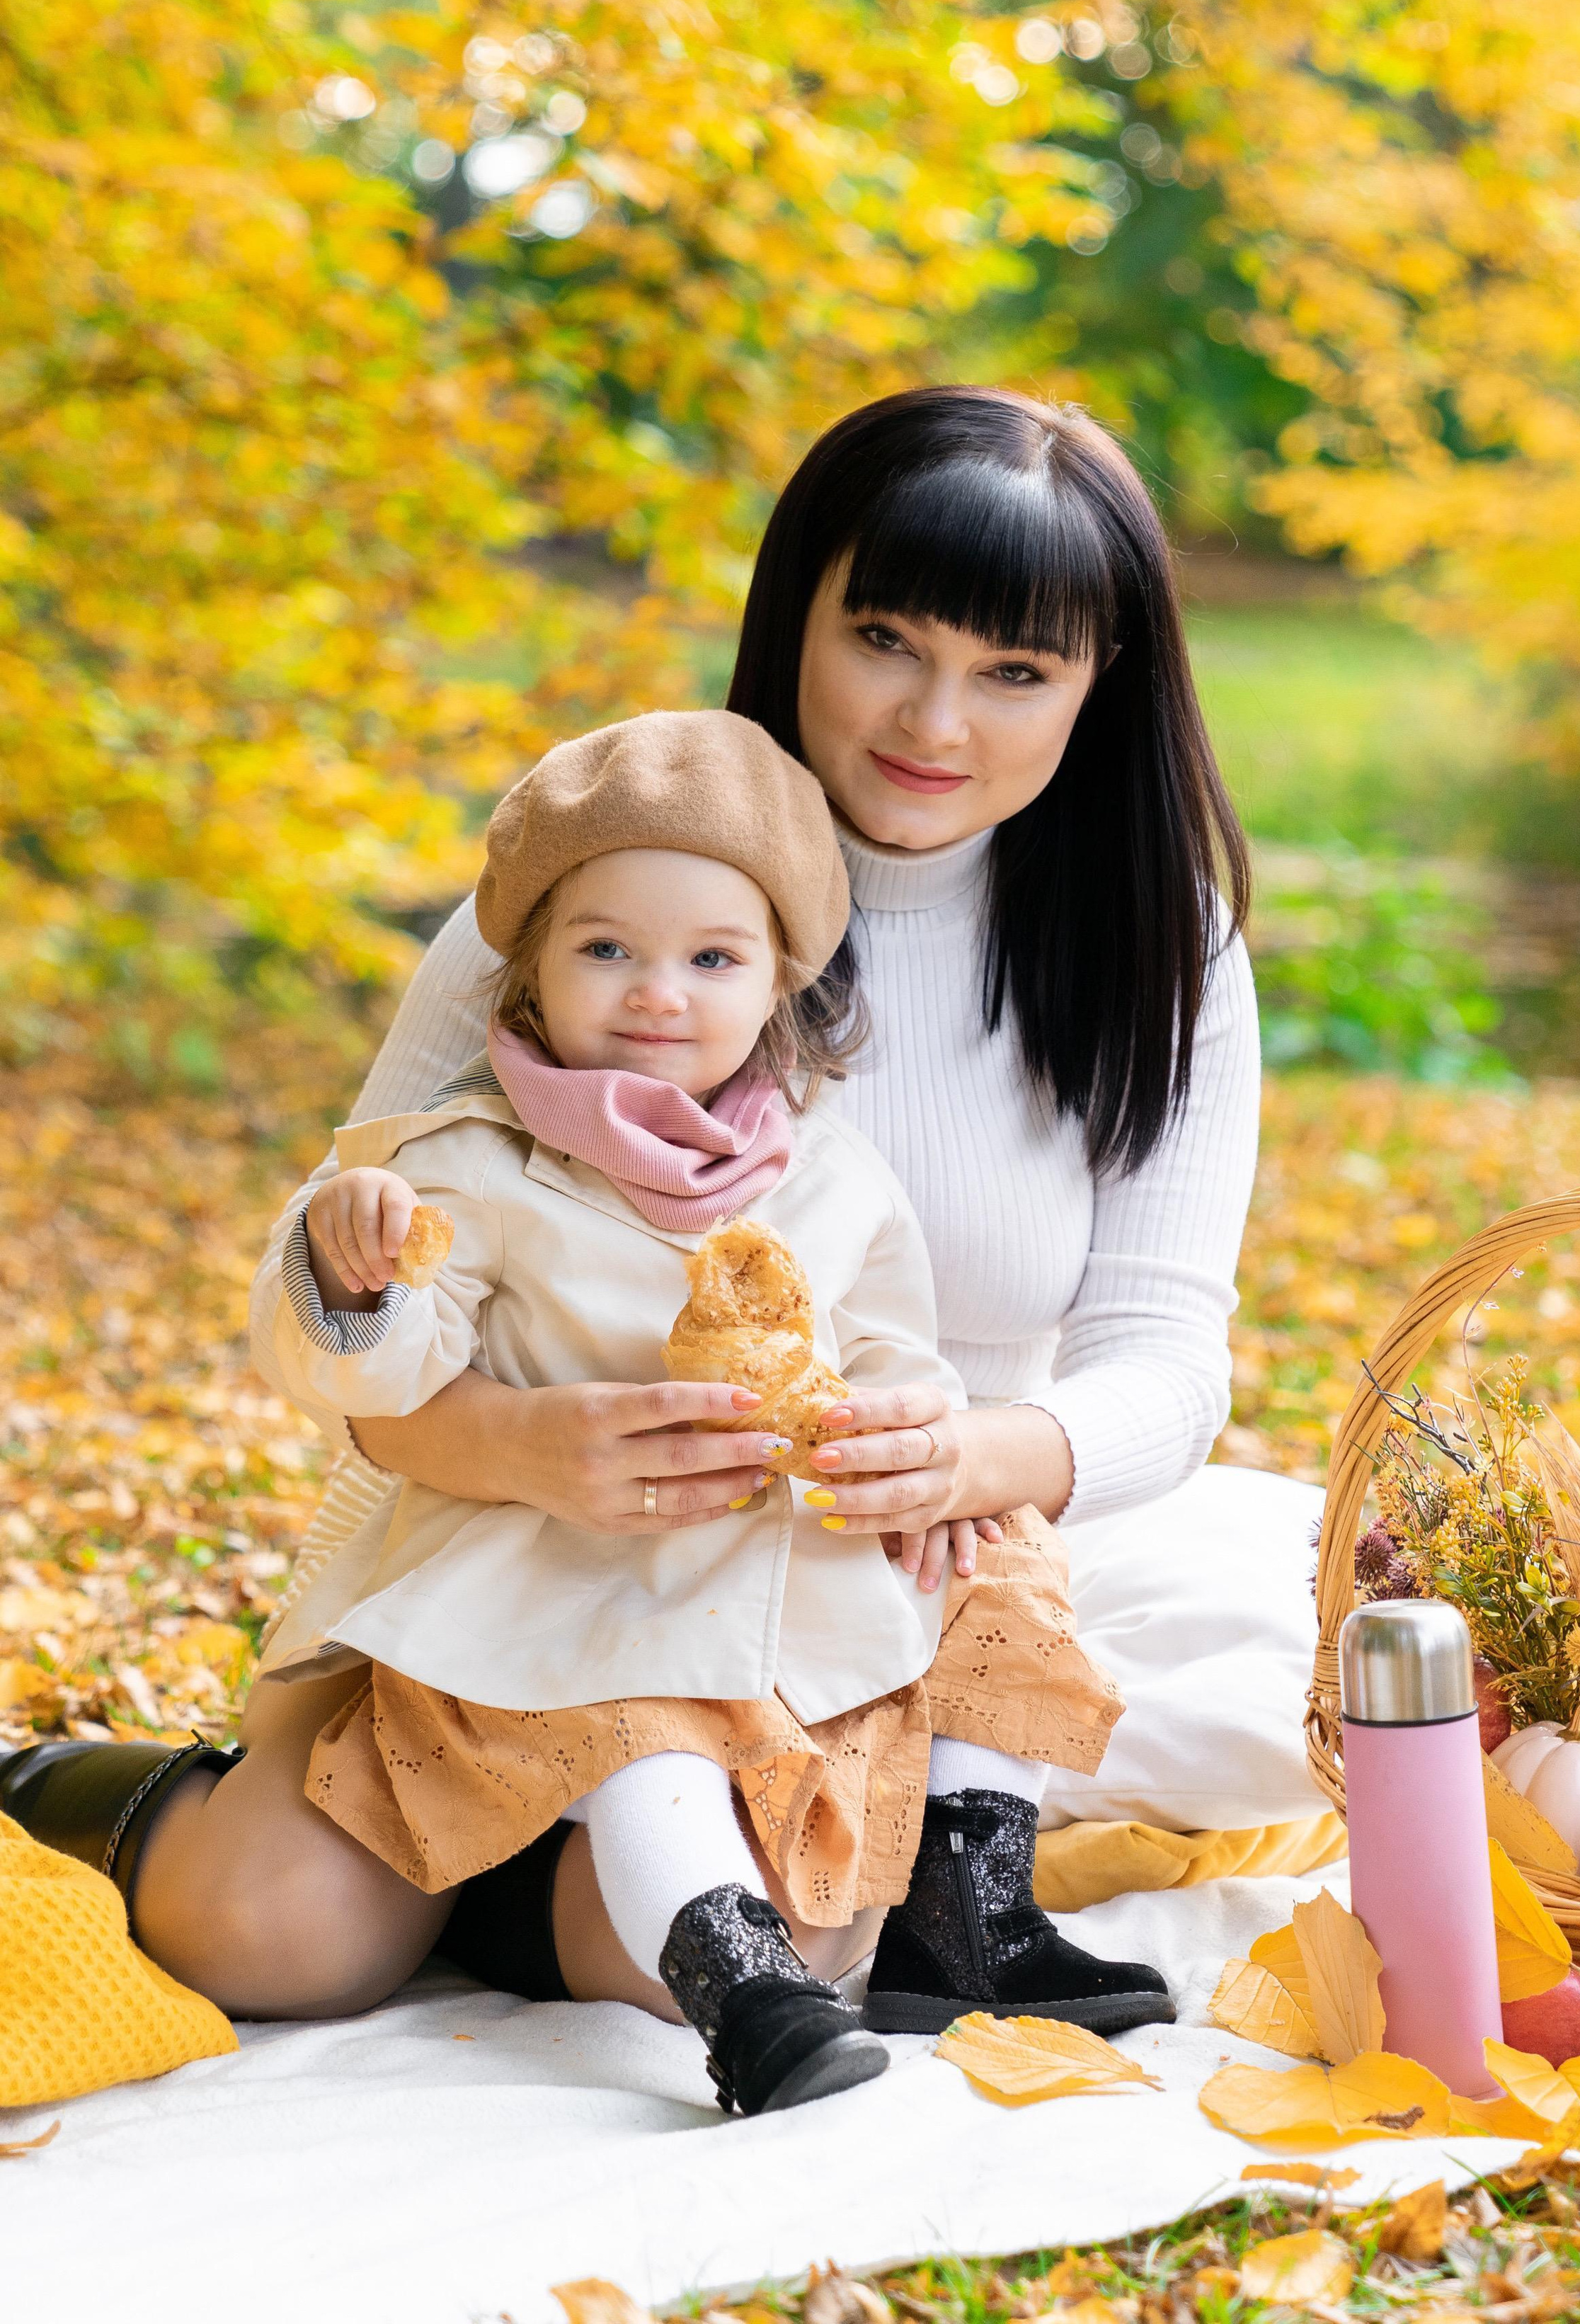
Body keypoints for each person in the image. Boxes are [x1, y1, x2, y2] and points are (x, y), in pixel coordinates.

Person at [3, 384, 1312, 2030]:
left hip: (863, 1571)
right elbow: (367, 1265)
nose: (934, 720)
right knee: (267, 1942)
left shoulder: (1157, 945)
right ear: (796, 616)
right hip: (519, 1540)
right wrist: (525, 1447)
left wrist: (979, 1454)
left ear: (1095, 686)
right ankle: (82, 1787)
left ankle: (530, 1886)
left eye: (1013, 672)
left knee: (708, 1957)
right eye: (886, 638)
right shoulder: (606, 898)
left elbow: (1167, 1363)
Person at [244, 709, 1144, 2112]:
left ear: (779, 979)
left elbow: (893, 1344)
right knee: (640, 1710)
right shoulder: (477, 1165)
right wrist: (355, 1273)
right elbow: (391, 1369)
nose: (657, 994)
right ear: (531, 969)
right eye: (605, 950)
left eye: (710, 960)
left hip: (790, 1544)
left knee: (1007, 1564)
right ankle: (738, 1983)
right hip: (583, 1554)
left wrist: (922, 1458)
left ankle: (971, 1902)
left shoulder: (830, 1174)